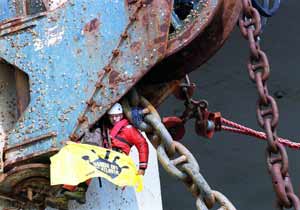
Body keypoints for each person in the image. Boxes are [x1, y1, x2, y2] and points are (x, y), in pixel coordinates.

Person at [46, 103, 149, 209]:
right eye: (112, 116)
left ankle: (76, 192)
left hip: (117, 160)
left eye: (117, 116)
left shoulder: (129, 129)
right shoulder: (106, 127)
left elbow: (142, 144)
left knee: (89, 161)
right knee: (84, 161)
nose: (114, 119)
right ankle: (68, 195)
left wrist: (142, 167)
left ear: (122, 115)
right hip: (105, 154)